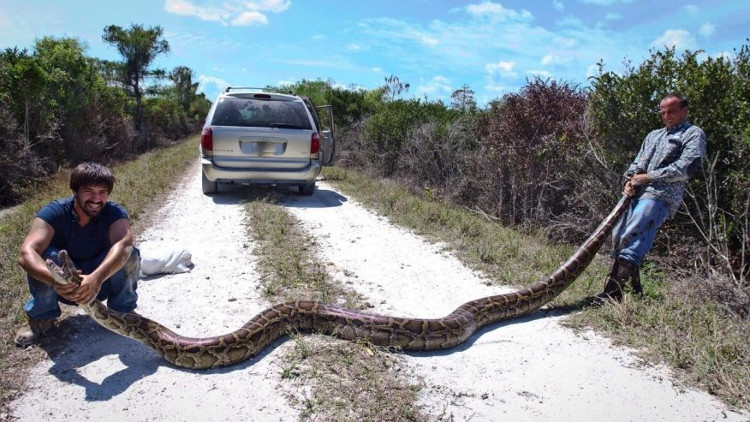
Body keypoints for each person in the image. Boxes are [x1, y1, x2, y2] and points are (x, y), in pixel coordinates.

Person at [15, 162, 140, 346]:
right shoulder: (54, 212)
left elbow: (124, 245)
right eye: (89, 191)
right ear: (75, 191)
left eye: (102, 192)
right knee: (46, 257)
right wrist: (56, 280)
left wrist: (96, 278)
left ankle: (123, 312)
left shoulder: (114, 213)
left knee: (131, 254)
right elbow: (26, 254)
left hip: (99, 282)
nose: (96, 199)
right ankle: (41, 318)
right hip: (61, 286)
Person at [599, 93, 707, 301]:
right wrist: (629, 180)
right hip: (636, 193)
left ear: (685, 111)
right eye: (663, 111)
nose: (667, 116)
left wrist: (648, 177)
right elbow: (637, 162)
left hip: (660, 195)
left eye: (672, 111)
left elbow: (686, 168)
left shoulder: (693, 134)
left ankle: (612, 294)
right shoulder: (653, 135)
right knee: (619, 237)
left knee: (633, 234)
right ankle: (635, 291)